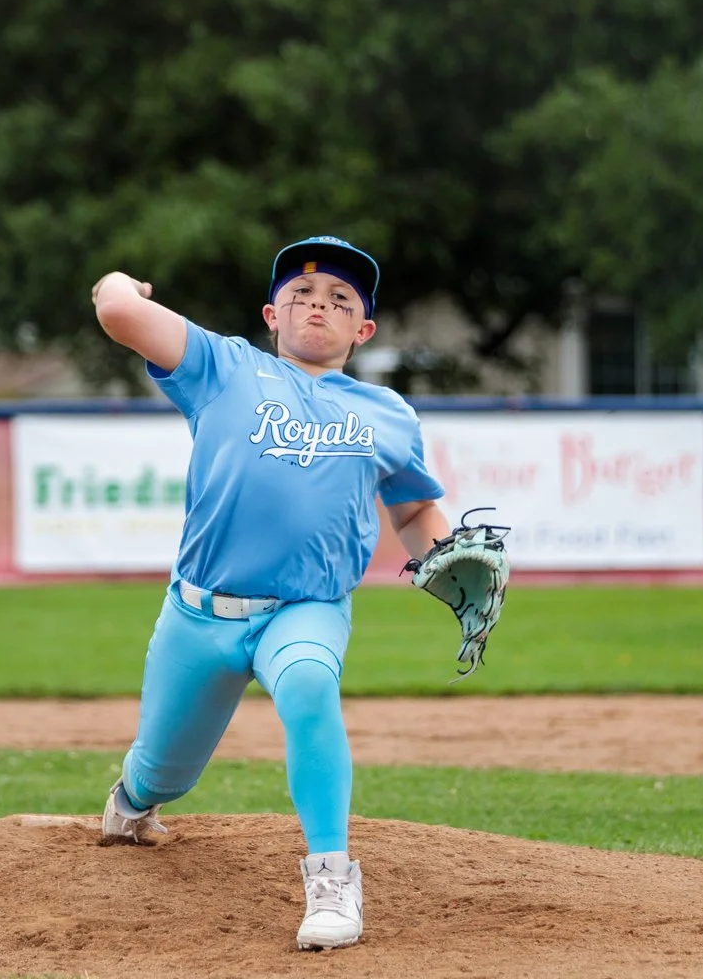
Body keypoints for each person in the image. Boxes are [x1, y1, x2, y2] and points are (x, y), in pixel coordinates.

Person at [89, 235, 451, 951]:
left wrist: (447, 557)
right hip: (200, 614)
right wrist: (117, 283)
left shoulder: (386, 414)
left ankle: (331, 878)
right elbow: (117, 314)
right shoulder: (223, 366)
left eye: (341, 300)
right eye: (303, 296)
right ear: (271, 315)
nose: (321, 306)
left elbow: (412, 512)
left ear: (363, 329)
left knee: (311, 682)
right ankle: (133, 802)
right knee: (162, 769)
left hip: (306, 609)